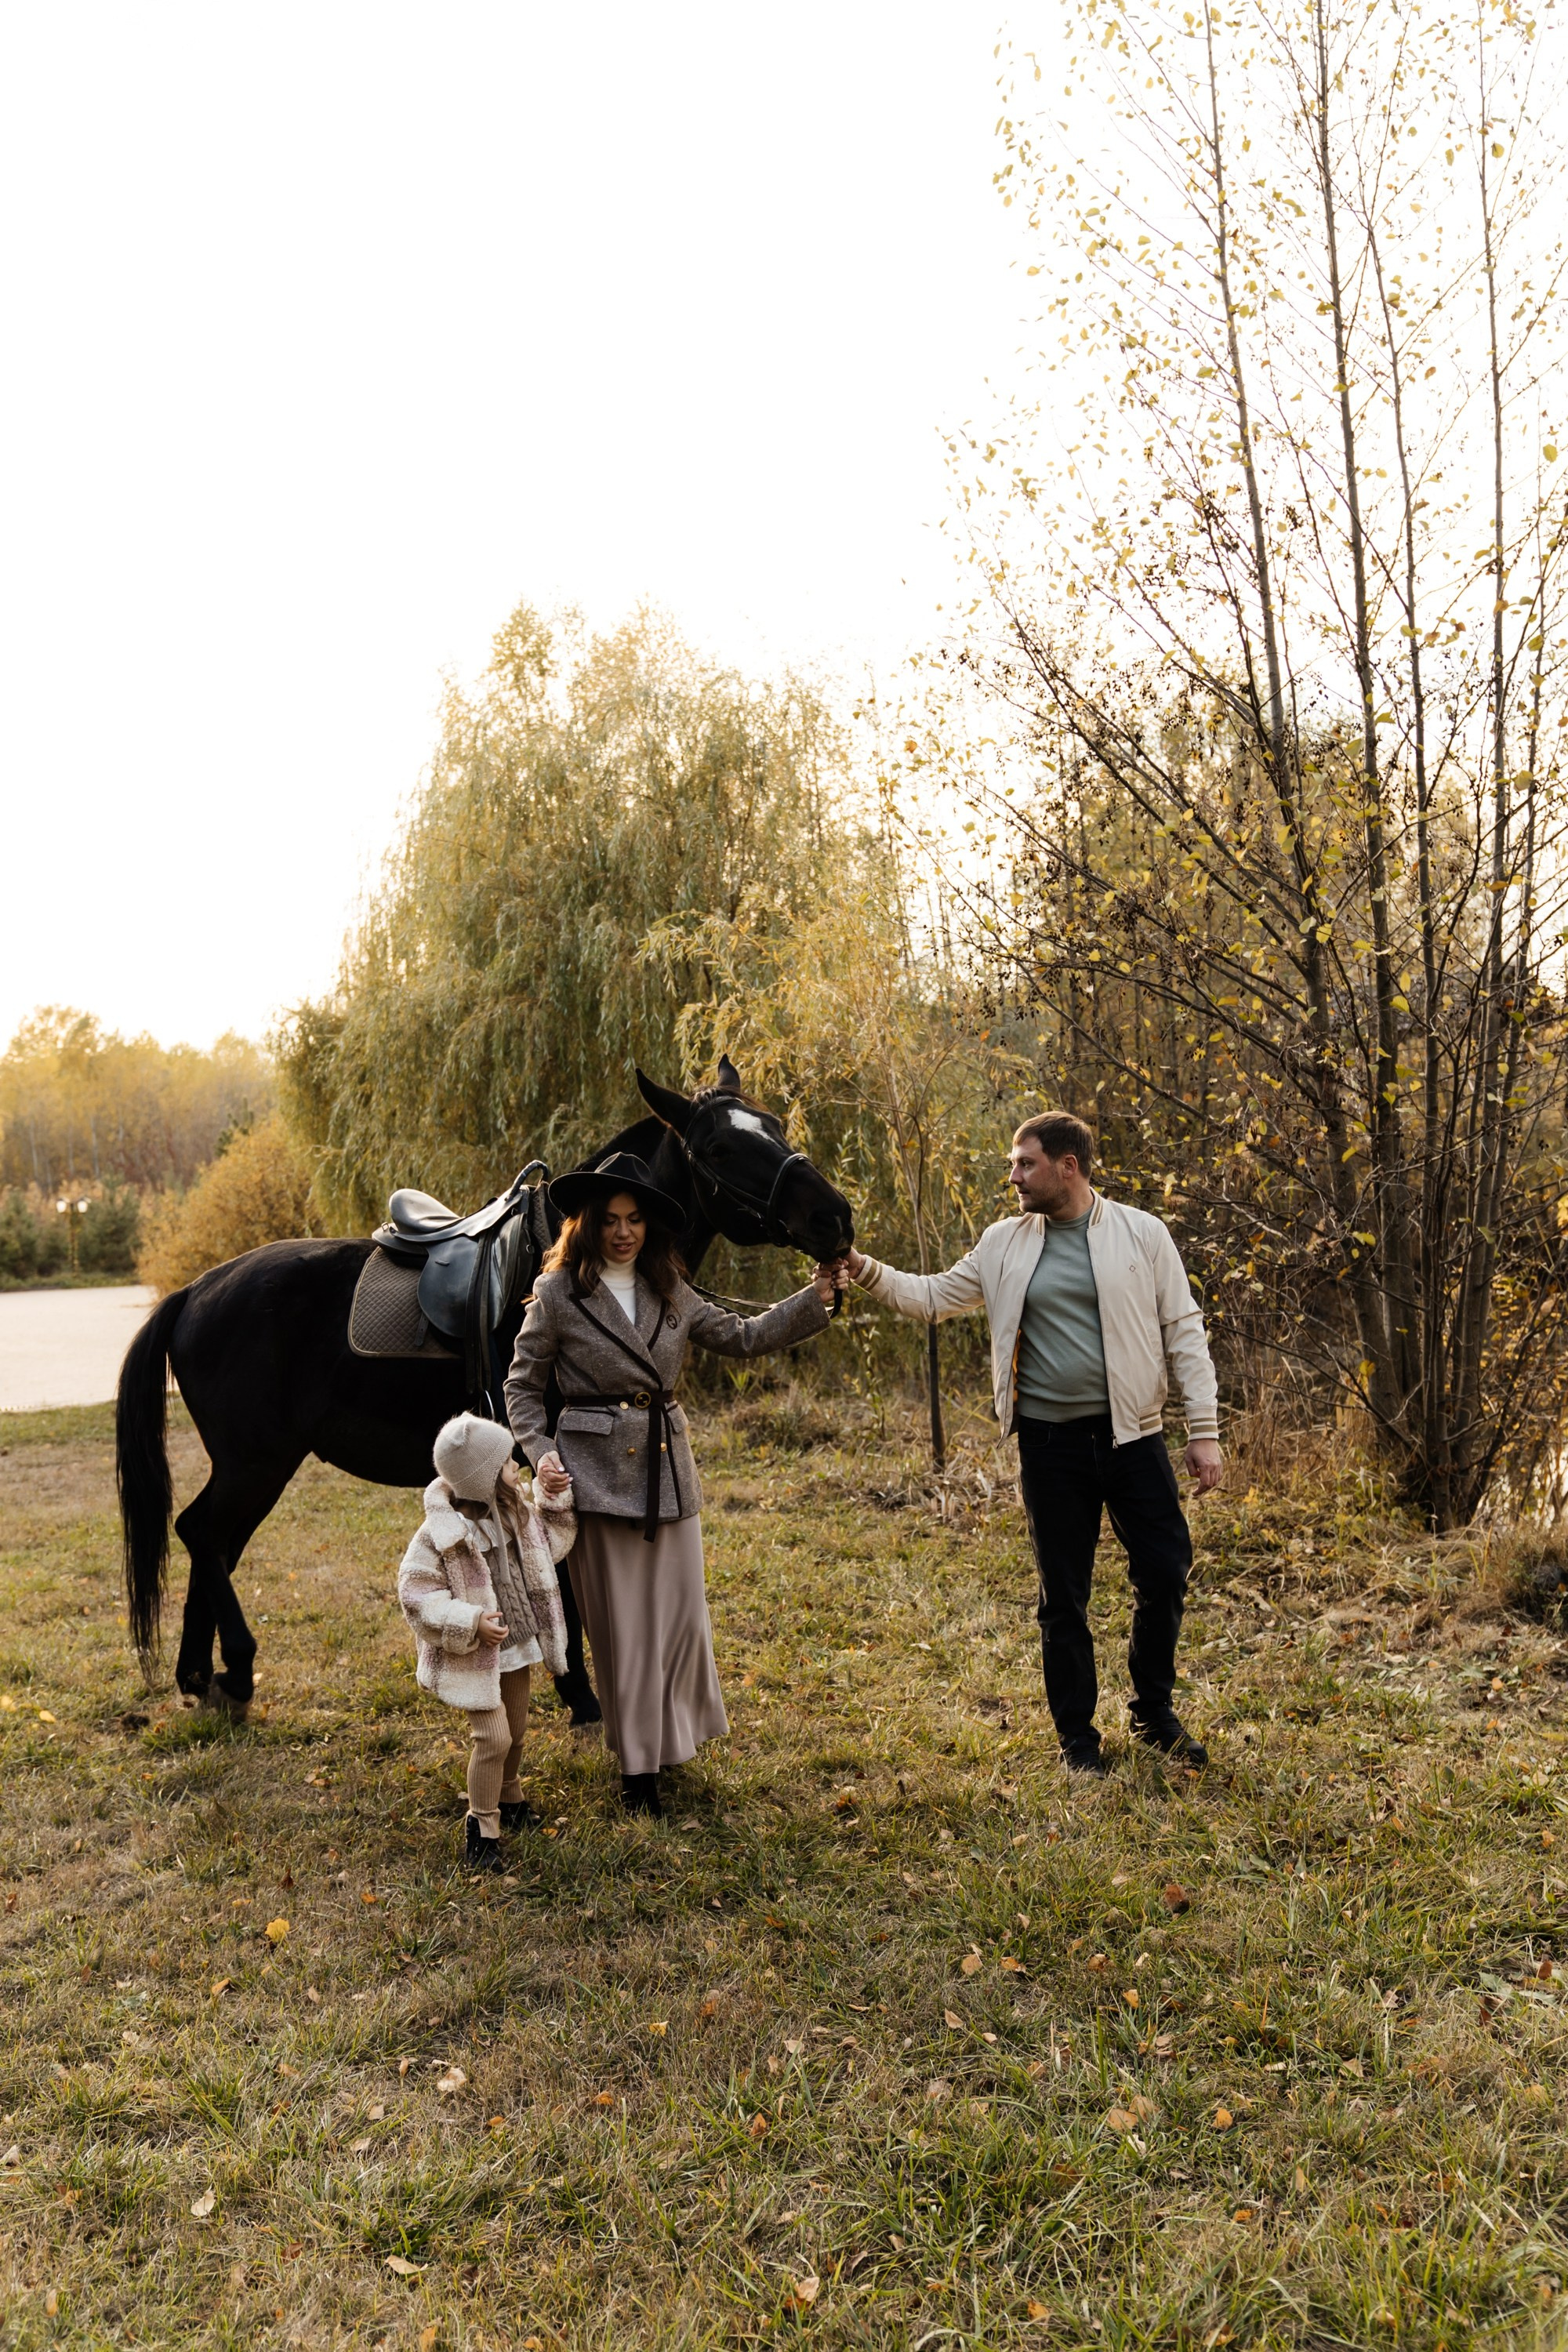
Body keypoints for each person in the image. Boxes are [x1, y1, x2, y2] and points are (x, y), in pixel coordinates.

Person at [843, 1111, 1221, 1777]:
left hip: (1135, 1439)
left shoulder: (1142, 1233)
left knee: (1165, 1572)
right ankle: (1078, 1739)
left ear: (1067, 1166)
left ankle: (1152, 1713)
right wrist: (862, 1268)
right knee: (1063, 1597)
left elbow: (1183, 1331)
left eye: (1025, 1163)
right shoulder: (1003, 1243)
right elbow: (931, 1297)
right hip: (1051, 1447)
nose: (1013, 1175)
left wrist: (1205, 1431)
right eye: (1014, 1164)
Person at [505, 1150, 846, 1817]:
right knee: (625, 1630)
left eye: (634, 1220)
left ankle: (671, 1742)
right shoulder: (558, 1294)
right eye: (610, 1220)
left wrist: (815, 1300)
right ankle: (638, 1773)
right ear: (588, 1226)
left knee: (679, 1624)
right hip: (596, 1479)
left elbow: (743, 1336)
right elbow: (521, 1387)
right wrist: (541, 1453)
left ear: (650, 1227)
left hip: (669, 1472)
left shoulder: (671, 1288)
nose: (624, 1232)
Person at [397, 1411, 577, 1871]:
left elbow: (551, 1545)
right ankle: (482, 1827)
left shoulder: (516, 1514)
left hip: (516, 1646)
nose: (517, 1464)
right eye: (506, 1462)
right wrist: (470, 1621)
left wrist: (553, 1498)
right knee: (493, 1737)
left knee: (516, 1731)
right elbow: (417, 1596)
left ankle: (511, 1796)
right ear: (482, 1480)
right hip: (476, 1654)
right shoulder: (441, 1537)